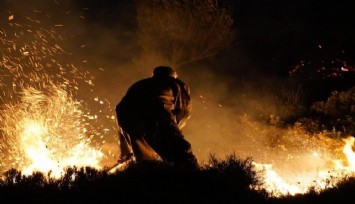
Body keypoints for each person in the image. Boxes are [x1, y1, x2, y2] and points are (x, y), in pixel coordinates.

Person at [115, 66, 199, 169]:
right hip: (157, 118)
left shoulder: (138, 85)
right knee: (182, 156)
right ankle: (198, 181)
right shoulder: (175, 83)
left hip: (129, 122)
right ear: (174, 75)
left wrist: (125, 150)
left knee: (147, 163)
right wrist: (174, 132)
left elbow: (121, 111)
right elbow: (183, 111)